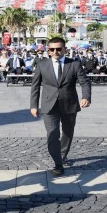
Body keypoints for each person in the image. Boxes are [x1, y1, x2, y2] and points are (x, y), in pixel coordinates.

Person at [30, 37, 91, 176]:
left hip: (69, 104)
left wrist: (86, 97)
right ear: (48, 51)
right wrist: (33, 105)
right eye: (52, 49)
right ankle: (58, 164)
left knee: (68, 133)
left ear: (64, 49)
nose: (55, 52)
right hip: (49, 106)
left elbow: (85, 82)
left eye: (58, 49)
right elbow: (35, 87)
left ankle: (63, 155)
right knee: (52, 134)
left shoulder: (74, 64)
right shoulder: (42, 64)